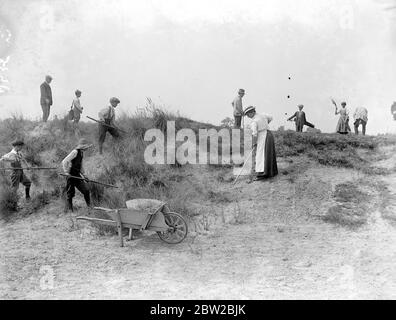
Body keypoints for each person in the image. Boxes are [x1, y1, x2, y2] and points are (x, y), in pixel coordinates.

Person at [244, 106, 278, 181]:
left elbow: (254, 134)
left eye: (248, 114)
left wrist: (254, 143)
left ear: (252, 112)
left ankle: (262, 174)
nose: (247, 116)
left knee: (261, 155)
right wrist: (265, 124)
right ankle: (270, 172)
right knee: (268, 153)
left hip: (263, 136)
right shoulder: (263, 115)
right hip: (269, 134)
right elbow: (271, 118)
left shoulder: (254, 121)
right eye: (246, 115)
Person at [62, 138, 93, 212]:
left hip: (77, 175)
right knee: (70, 194)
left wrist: (84, 175)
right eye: (87, 147)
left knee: (86, 190)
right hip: (70, 176)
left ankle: (89, 207)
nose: (88, 148)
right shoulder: (75, 152)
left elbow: (80, 166)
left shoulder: (81, 153)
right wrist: (66, 172)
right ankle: (70, 210)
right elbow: (64, 161)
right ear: (83, 146)